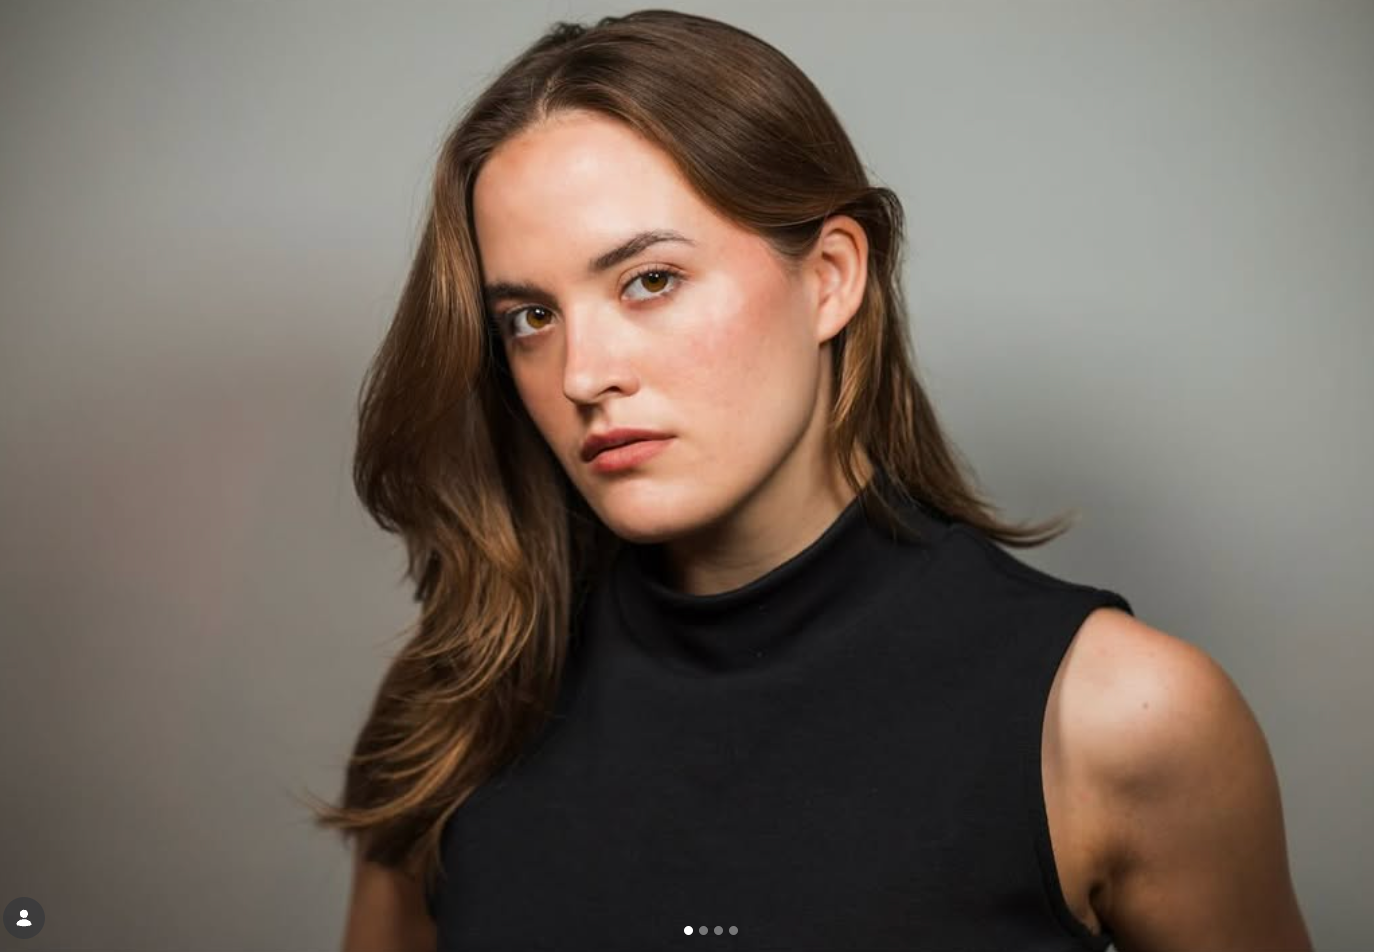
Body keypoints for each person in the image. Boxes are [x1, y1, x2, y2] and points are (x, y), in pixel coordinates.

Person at [309, 10, 1312, 951]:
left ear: (831, 275)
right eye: (529, 315)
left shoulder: (1117, 717)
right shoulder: (462, 702)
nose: (581, 374)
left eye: (648, 280)